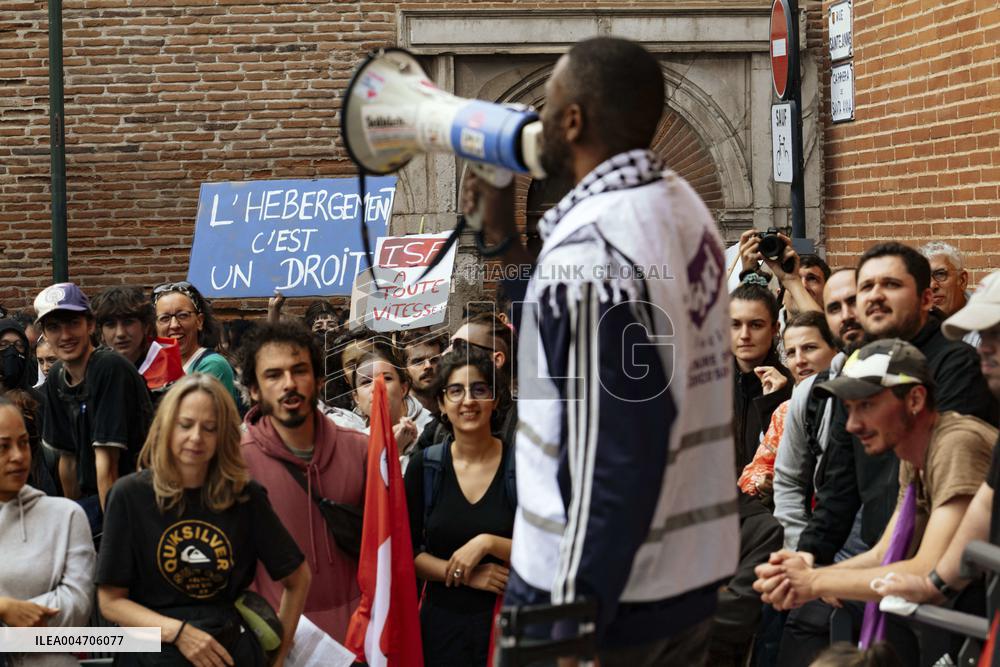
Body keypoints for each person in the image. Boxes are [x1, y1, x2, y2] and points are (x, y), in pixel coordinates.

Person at [466, 37, 739, 664]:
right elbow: (558, 354)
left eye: (549, 100)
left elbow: (614, 450)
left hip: (600, 598)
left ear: (573, 119)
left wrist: (572, 616)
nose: (538, 116)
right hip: (682, 578)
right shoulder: (679, 205)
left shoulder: (589, 257)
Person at [776, 243, 997, 664]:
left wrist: (815, 580)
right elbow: (889, 549)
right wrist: (809, 565)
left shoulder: (950, 434)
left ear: (916, 401)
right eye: (867, 287)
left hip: (954, 614)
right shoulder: (914, 453)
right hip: (903, 592)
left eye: (868, 404)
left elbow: (933, 573)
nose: (854, 424)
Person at [97, 374, 311, 667]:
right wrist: (180, 633)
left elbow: (298, 578)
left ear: (223, 435)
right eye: (185, 425)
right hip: (151, 653)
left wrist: (277, 658)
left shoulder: (245, 496)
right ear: (166, 427)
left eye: (210, 428)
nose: (196, 437)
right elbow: (110, 602)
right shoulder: (129, 495)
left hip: (230, 650)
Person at [868, 271, 1000, 604]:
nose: (985, 349)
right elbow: (985, 507)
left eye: (997, 335)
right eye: (982, 337)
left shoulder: (957, 440)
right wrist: (935, 585)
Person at [239, 322, 367, 643]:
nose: (289, 384)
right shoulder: (234, 465)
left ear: (319, 380)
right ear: (253, 389)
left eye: (299, 371)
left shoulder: (362, 450)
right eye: (273, 375)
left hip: (359, 640)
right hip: (282, 641)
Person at [404, 347, 515, 666]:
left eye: (479, 389)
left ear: (494, 401)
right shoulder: (426, 466)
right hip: (441, 626)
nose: (468, 400)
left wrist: (487, 543)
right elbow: (407, 553)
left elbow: (547, 548)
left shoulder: (520, 465)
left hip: (507, 622)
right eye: (456, 391)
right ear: (441, 402)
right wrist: (465, 575)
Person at [36, 283, 152, 533]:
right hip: (94, 501)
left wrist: (115, 540)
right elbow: (67, 461)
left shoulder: (109, 367)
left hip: (136, 500)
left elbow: (107, 464)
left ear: (90, 325)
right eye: (54, 327)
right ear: (44, 334)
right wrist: (72, 525)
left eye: (73, 323)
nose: (65, 335)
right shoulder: (57, 375)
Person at [0, 397, 95, 667]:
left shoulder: (66, 515)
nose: (18, 456)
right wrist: (6, 608)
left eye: (23, 443)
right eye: (3, 447)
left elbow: (77, 605)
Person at [739, 311, 839, 500]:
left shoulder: (855, 402)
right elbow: (751, 474)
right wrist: (763, 482)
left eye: (809, 348)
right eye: (791, 353)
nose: (800, 360)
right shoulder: (785, 412)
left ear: (836, 350)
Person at [730, 281, 795, 470]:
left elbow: (793, 463)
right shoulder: (709, 387)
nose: (744, 335)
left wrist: (773, 404)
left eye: (755, 325)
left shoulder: (791, 389)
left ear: (775, 328)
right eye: (735, 324)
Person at [152, 281, 242, 411]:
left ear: (199, 321)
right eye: (164, 318)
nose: (174, 325)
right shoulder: (154, 366)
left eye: (183, 315)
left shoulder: (213, 365)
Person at [351, 348, 430, 468]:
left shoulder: (428, 434)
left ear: (403, 389)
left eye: (386, 378)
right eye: (366, 382)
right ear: (356, 398)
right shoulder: (352, 447)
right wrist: (395, 450)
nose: (377, 388)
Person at [920, 241, 979, 347]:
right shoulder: (914, 324)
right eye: (924, 277)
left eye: (940, 274)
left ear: (962, 280)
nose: (932, 285)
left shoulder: (990, 323)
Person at [90, 286, 155, 367]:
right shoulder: (93, 371)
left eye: (128, 322)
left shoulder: (167, 368)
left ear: (145, 326)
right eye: (111, 324)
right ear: (101, 333)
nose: (120, 334)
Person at [397, 328, 445, 416]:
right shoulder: (395, 414)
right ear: (404, 369)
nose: (428, 366)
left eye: (434, 360)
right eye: (418, 361)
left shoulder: (455, 410)